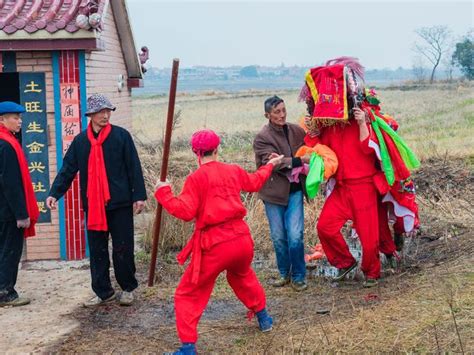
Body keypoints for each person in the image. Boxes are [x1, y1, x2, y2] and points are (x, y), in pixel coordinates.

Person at [155, 129, 282, 355]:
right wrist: (270, 165)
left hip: (215, 244)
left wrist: (163, 193)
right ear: (217, 149)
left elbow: (185, 211)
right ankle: (264, 318)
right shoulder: (232, 170)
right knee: (242, 276)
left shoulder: (196, 178)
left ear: (195, 152)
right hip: (242, 240)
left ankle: (187, 348)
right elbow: (255, 182)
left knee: (187, 293)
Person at [46, 94, 146, 307]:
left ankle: (128, 288)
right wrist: (55, 193)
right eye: (101, 111)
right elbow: (68, 170)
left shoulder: (121, 136)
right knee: (97, 250)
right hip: (94, 206)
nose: (105, 115)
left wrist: (138, 196)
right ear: (90, 115)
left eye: (108, 111)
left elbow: (133, 167)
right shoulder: (81, 142)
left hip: (119, 203)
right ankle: (103, 292)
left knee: (123, 248)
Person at [253, 96, 308, 291]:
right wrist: (298, 161)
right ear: (267, 115)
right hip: (273, 194)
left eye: (283, 110)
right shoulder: (262, 137)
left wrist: (286, 160)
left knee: (295, 234)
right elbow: (273, 165)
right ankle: (284, 273)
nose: (282, 115)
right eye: (277, 112)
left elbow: (311, 149)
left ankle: (299, 276)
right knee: (278, 236)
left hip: (294, 191)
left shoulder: (297, 130)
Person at [0, 101, 39, 307]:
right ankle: (6, 292)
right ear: (2, 120)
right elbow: (11, 183)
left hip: (3, 209)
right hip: (7, 212)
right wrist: (21, 214)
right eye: (15, 117)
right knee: (9, 251)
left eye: (19, 117)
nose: (20, 121)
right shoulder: (6, 145)